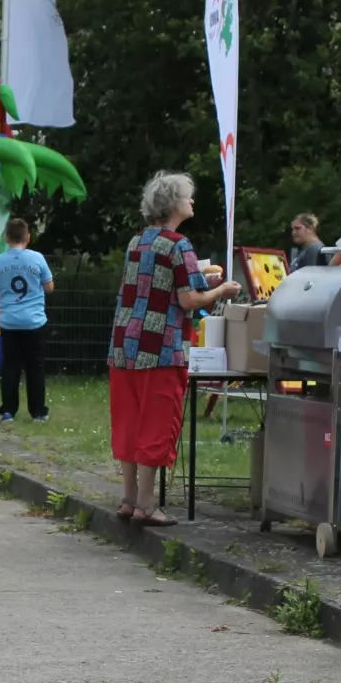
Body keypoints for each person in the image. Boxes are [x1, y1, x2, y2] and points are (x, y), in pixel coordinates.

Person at [108, 172, 242, 527]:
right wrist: (221, 291)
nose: (192, 201)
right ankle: (148, 505)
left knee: (129, 421)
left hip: (125, 344)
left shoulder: (138, 241)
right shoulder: (179, 244)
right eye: (188, 196)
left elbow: (158, 285)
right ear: (173, 203)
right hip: (161, 348)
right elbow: (187, 299)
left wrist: (203, 284)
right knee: (155, 422)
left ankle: (128, 497)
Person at [0, 217, 53, 423]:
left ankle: (8, 411)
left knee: (10, 367)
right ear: (28, 237)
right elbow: (49, 287)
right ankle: (38, 412)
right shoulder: (37, 258)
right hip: (34, 321)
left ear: (7, 238)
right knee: (35, 368)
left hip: (9, 322)